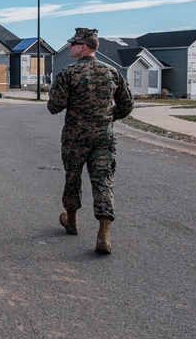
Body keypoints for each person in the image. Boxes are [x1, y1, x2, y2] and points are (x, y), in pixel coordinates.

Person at [47, 27, 134, 254]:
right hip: (104, 137)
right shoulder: (112, 72)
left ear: (84, 47)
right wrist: (106, 117)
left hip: (76, 138)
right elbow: (127, 105)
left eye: (73, 45)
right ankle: (103, 234)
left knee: (73, 178)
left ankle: (72, 222)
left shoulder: (69, 73)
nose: (70, 48)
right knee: (103, 182)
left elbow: (54, 107)